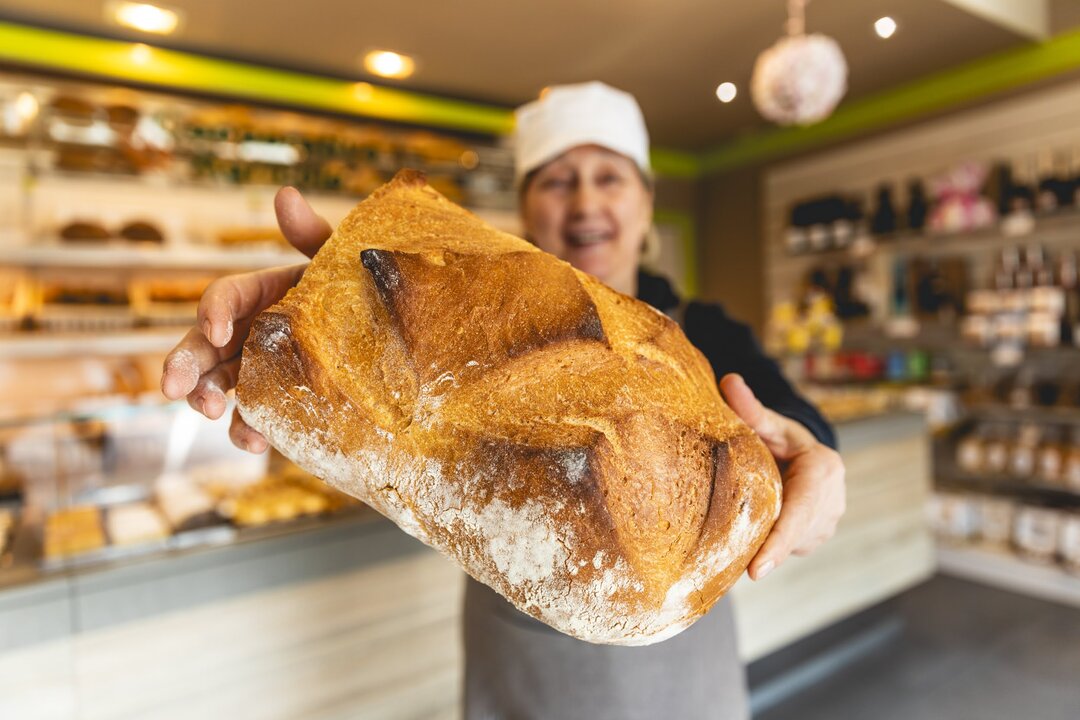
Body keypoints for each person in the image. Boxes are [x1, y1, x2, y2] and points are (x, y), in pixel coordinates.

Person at [161, 81, 845, 720]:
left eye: (609, 177)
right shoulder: (453, 314)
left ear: (645, 204)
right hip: (519, 665)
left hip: (687, 682)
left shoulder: (705, 333)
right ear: (526, 208)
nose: (584, 202)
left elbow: (795, 422)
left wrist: (812, 453)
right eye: (557, 180)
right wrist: (330, 324)